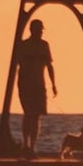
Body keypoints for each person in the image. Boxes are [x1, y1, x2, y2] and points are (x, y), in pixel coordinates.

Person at [15, 17, 55, 157]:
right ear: (32, 30)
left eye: (41, 30)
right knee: (29, 114)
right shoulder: (23, 45)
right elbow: (17, 63)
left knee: (36, 116)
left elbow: (50, 65)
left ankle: (32, 147)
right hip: (26, 85)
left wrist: (53, 84)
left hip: (39, 85)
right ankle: (26, 145)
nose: (40, 33)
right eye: (38, 30)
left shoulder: (44, 45)